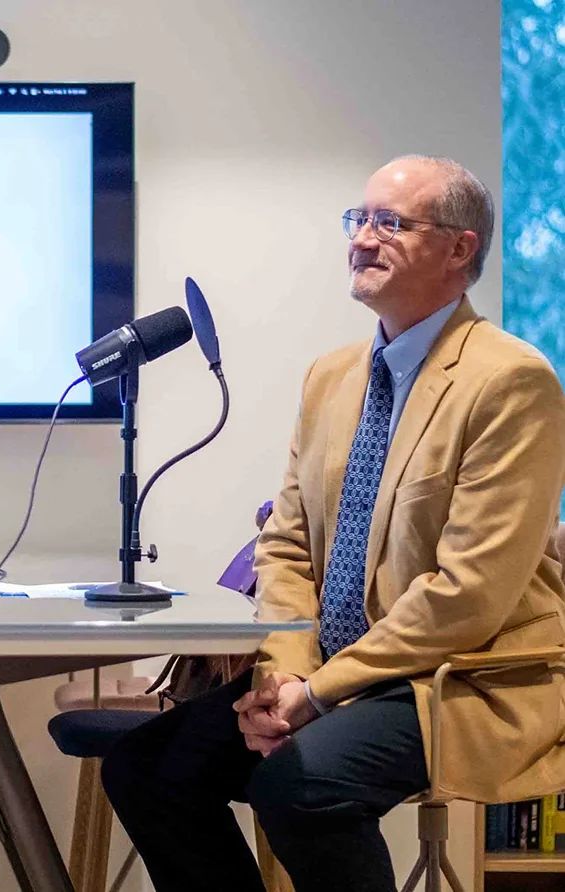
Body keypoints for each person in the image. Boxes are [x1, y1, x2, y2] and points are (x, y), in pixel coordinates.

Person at [101, 155, 565, 891]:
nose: (362, 239)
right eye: (358, 219)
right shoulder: (330, 376)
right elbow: (283, 545)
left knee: (302, 788)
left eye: (391, 222)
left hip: (454, 674)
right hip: (322, 668)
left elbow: (469, 593)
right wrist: (286, 672)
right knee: (146, 766)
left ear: (458, 248)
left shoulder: (510, 381)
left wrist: (314, 696)